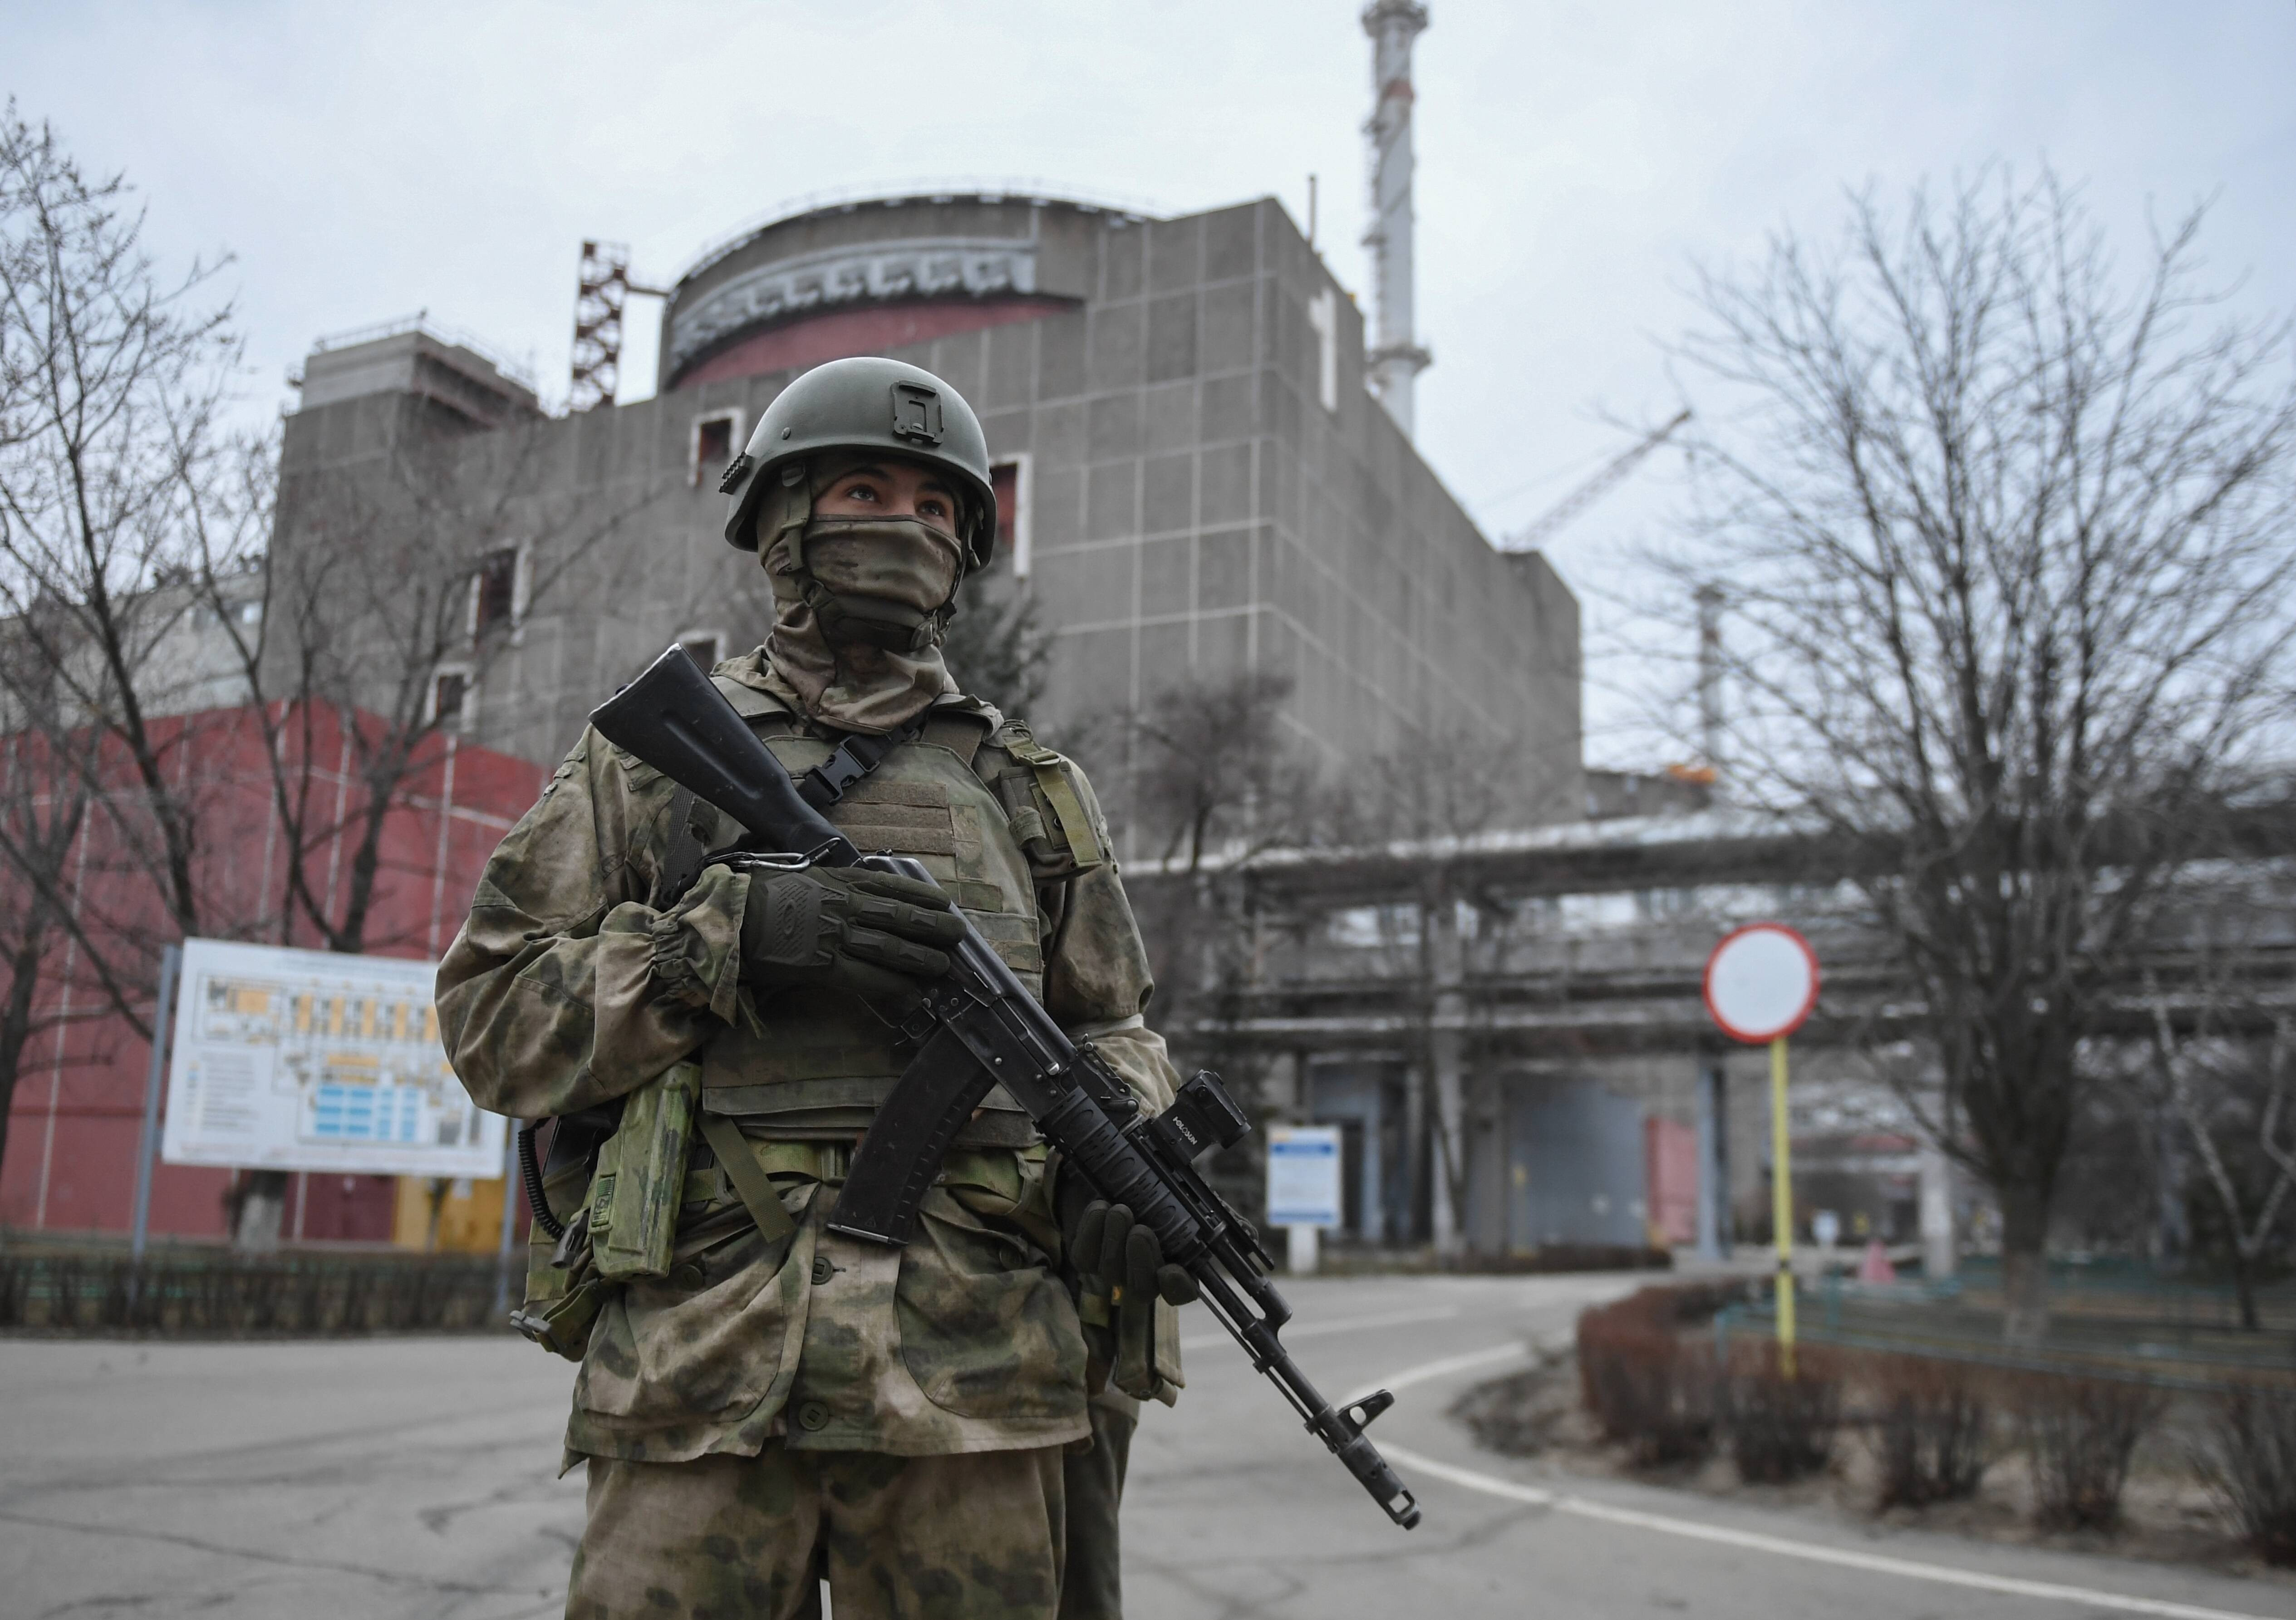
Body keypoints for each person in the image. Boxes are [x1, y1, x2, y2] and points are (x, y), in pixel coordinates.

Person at [438, 355, 1184, 1620]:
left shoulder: (1029, 791)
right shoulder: (647, 770)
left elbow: (1112, 1023)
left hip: (979, 1384)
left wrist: (1126, 1152)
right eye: (862, 489)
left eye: (937, 507)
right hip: (701, 1367)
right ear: (783, 524)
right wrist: (727, 936)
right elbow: (492, 1020)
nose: (904, 524)